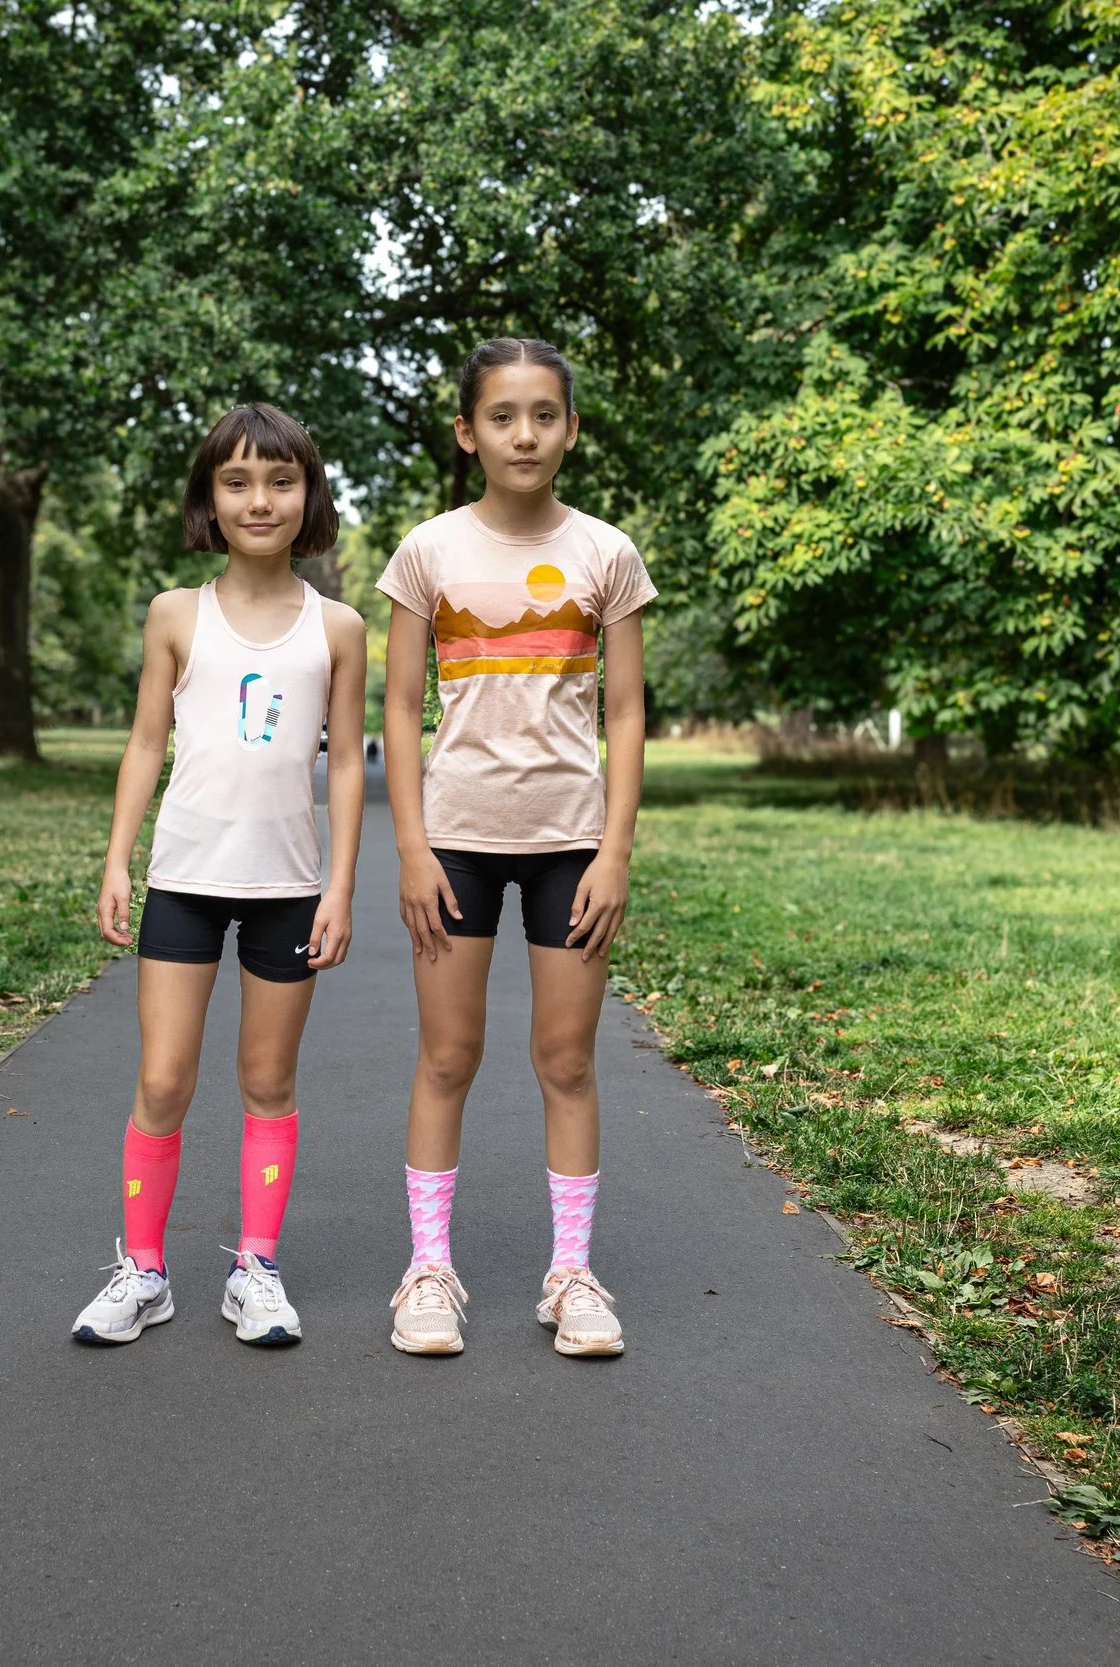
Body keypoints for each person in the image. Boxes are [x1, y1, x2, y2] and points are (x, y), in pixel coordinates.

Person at [376, 338, 653, 1358]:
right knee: (448, 1054)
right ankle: (428, 1270)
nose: (523, 433)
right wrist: (409, 846)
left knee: (565, 1058)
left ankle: (570, 1272)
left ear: (571, 428)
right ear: (467, 432)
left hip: (569, 844)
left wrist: (614, 850)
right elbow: (398, 710)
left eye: (544, 414)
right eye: (501, 415)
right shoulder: (426, 552)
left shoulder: (605, 554)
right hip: (454, 840)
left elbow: (624, 715)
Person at [72, 404, 367, 1347]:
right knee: (163, 1079)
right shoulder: (174, 615)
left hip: (287, 884)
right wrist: (118, 859)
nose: (260, 499)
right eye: (237, 481)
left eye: (281, 481)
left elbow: (350, 763)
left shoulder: (341, 627)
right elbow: (146, 741)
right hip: (187, 880)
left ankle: (256, 1269)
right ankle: (145, 1270)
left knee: (267, 1077)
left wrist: (341, 886)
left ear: (309, 496)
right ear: (209, 497)